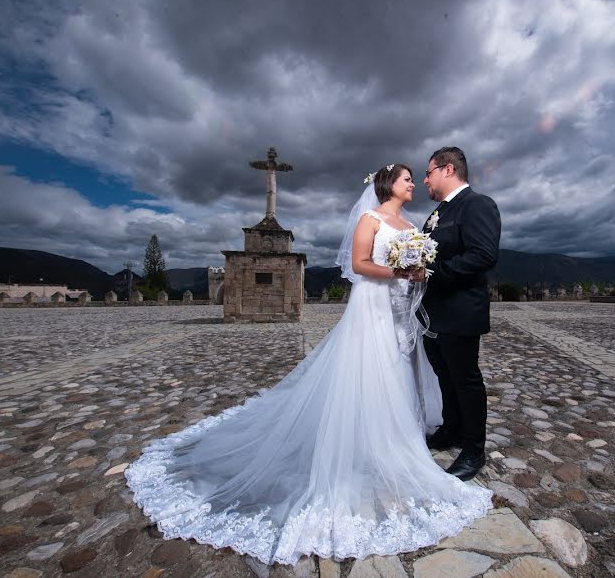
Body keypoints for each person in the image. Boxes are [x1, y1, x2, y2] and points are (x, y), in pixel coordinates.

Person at [125, 163, 491, 566]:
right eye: (408, 178)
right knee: (373, 369)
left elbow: (428, 262)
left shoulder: (412, 223)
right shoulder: (370, 219)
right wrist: (399, 270)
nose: (414, 183)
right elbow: (358, 265)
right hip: (373, 307)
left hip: (405, 310)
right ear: (390, 184)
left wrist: (415, 272)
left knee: (402, 370)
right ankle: (367, 441)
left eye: (418, 176)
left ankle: (397, 432)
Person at [418, 147, 501, 481]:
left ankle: (473, 449)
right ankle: (449, 430)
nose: (425, 179)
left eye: (428, 172)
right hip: (433, 313)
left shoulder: (478, 205)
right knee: (444, 377)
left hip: (460, 309)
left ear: (447, 169)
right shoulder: (437, 213)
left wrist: (432, 271)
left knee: (466, 380)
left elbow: (483, 255)